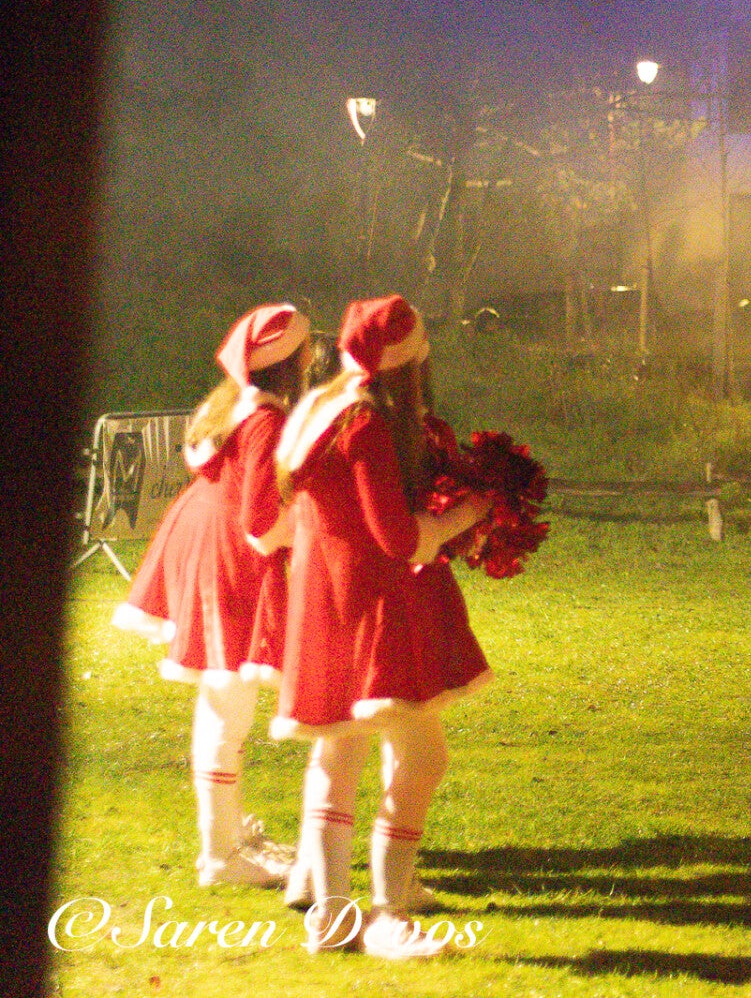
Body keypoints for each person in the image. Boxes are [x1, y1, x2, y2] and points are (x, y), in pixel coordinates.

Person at [271, 295, 489, 959]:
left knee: (337, 756)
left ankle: (332, 917)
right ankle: (387, 911)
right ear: (408, 362)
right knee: (422, 757)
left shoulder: (321, 405)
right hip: (372, 605)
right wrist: (470, 511)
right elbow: (396, 537)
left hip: (325, 600)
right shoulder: (365, 423)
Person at [113, 304, 314, 888]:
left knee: (224, 703)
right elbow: (260, 521)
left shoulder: (228, 404)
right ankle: (221, 856)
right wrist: (308, 527)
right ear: (292, 360)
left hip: (205, 540)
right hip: (228, 558)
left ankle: (229, 836)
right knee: (228, 705)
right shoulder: (265, 419)